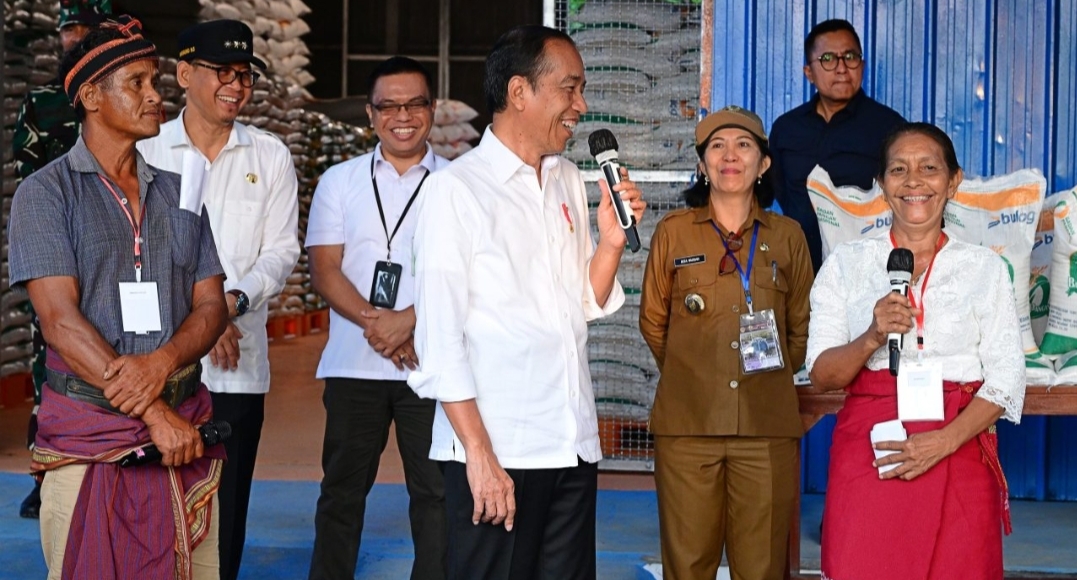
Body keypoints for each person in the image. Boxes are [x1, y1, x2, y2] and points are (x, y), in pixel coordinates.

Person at [408, 25, 646, 580]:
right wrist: (480, 455)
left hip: (569, 442)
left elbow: (582, 301)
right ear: (520, 92)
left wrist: (611, 244)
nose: (580, 107)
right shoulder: (456, 191)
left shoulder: (567, 178)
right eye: (570, 89)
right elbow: (439, 340)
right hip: (500, 450)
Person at [7, 17, 228, 579]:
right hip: (90, 435)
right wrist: (152, 412)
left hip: (184, 427)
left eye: (155, 81)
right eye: (137, 82)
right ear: (89, 96)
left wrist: (161, 364)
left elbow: (211, 306)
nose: (156, 96)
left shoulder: (181, 194)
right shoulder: (45, 193)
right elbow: (58, 321)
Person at [805, 123, 1025, 580]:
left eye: (929, 168)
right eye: (899, 170)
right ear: (883, 185)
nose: (914, 182)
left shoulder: (983, 268)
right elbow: (822, 374)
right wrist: (871, 335)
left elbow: (1006, 380)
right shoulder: (847, 263)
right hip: (874, 452)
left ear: (953, 181)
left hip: (958, 448)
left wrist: (942, 442)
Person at [136, 19, 301, 580]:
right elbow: (137, 249)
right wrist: (201, 319)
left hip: (235, 366)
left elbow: (280, 252)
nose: (236, 87)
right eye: (221, 73)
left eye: (244, 76)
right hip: (156, 361)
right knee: (152, 499)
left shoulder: (270, 155)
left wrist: (227, 304)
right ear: (183, 74)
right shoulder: (148, 148)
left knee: (226, 508)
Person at [638, 106, 813, 580]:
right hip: (687, 429)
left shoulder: (789, 237)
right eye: (716, 146)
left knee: (761, 569)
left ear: (764, 164)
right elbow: (653, 322)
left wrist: (764, 376)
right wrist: (695, 371)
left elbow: (800, 329)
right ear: (701, 164)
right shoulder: (674, 232)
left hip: (766, 429)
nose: (729, 156)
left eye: (743, 146)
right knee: (688, 565)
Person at [305, 56, 448, 580]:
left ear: (431, 109)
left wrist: (409, 319)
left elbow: (465, 278)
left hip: (429, 368)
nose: (402, 115)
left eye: (414, 103)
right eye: (389, 105)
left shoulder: (457, 185)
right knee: (341, 492)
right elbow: (325, 269)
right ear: (371, 114)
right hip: (352, 368)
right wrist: (380, 326)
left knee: (434, 494)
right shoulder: (339, 181)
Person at [10, 0, 110, 521]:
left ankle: (107, 455)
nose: (75, 36)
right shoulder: (44, 103)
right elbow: (28, 179)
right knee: (49, 361)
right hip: (57, 253)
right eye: (69, 28)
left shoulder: (117, 99)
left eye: (86, 29)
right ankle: (43, 471)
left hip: (112, 251)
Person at [769, 18, 905, 272]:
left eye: (850, 56)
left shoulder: (890, 128)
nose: (842, 68)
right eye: (828, 59)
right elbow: (772, 193)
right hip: (797, 269)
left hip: (867, 271)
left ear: (862, 65)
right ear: (808, 72)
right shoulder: (786, 129)